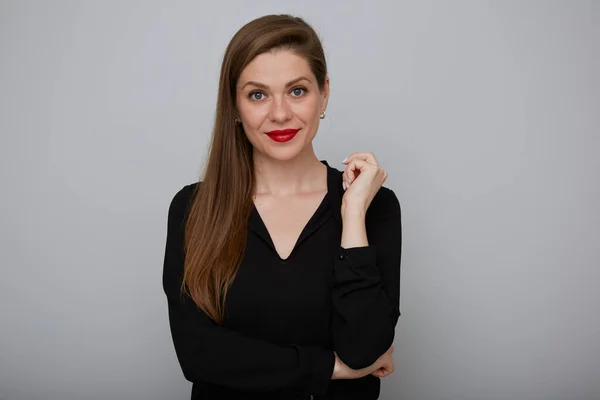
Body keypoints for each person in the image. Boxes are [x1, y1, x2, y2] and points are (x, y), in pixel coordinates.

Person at [162, 14, 402, 400]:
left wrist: (353, 215)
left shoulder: (375, 206)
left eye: (297, 91)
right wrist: (331, 367)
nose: (279, 114)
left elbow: (365, 348)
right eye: (258, 94)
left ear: (324, 94)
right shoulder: (193, 208)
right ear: (235, 107)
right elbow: (198, 354)